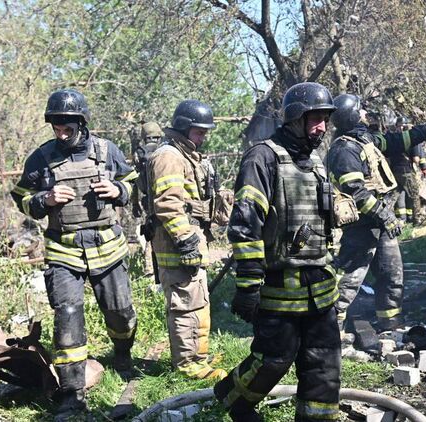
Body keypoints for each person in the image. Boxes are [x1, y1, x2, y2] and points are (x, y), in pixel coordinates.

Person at [214, 82, 341, 422]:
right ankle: (233, 401)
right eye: (315, 119)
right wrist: (248, 286)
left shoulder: (316, 161)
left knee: (324, 360)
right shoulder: (262, 157)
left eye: (325, 120)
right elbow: (245, 226)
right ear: (296, 118)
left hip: (320, 285)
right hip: (279, 286)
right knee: (273, 359)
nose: (322, 127)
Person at [10, 89, 138, 419]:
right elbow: (21, 197)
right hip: (63, 250)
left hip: (108, 247)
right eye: (56, 128)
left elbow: (133, 185)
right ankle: (72, 392)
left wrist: (118, 190)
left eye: (67, 128)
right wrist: (45, 200)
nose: (61, 134)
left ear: (82, 124)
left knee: (120, 311)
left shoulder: (107, 151)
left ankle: (123, 355)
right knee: (67, 317)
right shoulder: (41, 158)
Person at [327, 94, 426, 333]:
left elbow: (395, 141)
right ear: (352, 115)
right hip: (361, 225)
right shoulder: (345, 149)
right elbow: (356, 193)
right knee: (350, 278)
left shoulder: (364, 139)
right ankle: (330, 330)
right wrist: (386, 216)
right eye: (360, 110)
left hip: (380, 223)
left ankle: (390, 323)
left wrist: (425, 131)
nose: (365, 114)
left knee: (392, 273)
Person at [146, 100, 227, 381]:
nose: (203, 138)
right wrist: (186, 240)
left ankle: (198, 357)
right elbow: (168, 204)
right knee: (185, 305)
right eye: (199, 132)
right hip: (177, 246)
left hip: (189, 242)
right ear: (183, 127)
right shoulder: (169, 157)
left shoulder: (186, 155)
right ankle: (187, 365)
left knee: (198, 301)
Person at [132, 121, 164, 278]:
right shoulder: (165, 150)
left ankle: (150, 271)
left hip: (148, 202)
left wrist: (134, 203)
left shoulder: (140, 153)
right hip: (166, 198)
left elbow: (134, 180)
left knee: (151, 235)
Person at [389, 116, 426, 225]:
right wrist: (423, 167)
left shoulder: (392, 138)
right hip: (406, 171)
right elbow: (416, 159)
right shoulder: (411, 138)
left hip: (394, 172)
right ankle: (416, 219)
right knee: (414, 195)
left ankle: (400, 219)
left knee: (397, 195)